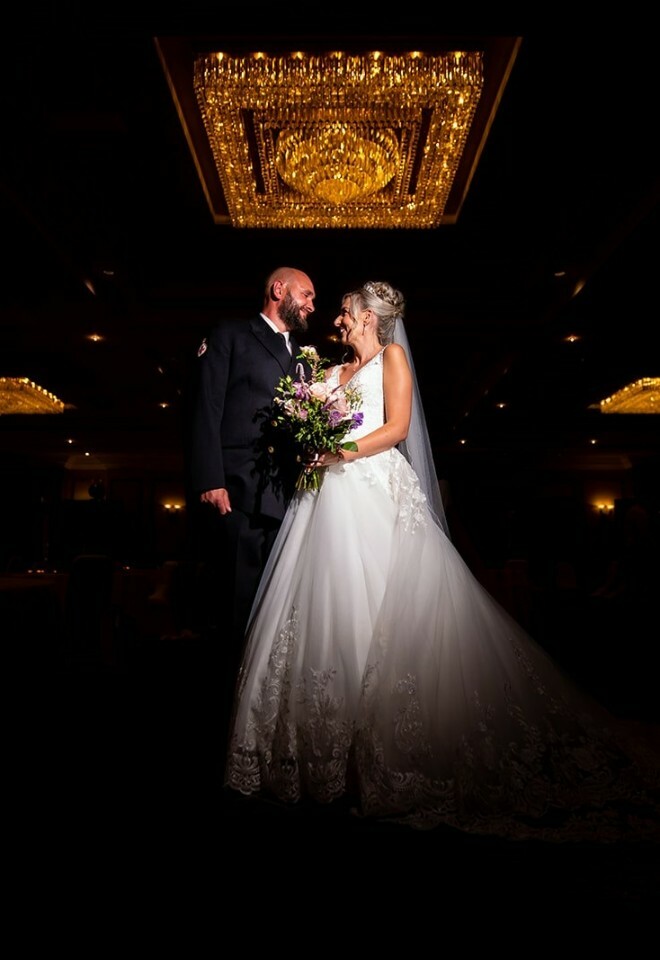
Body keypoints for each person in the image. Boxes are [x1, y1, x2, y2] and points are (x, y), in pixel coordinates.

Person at [223, 279, 660, 842]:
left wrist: (337, 450)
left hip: (371, 491)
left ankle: (387, 751)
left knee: (381, 605)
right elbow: (312, 425)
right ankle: (321, 755)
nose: (336, 320)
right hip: (323, 498)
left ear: (367, 317)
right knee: (319, 611)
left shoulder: (392, 357)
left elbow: (398, 428)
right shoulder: (327, 373)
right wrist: (310, 444)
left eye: (344, 312)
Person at [183, 266, 316, 711]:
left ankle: (265, 711)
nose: (313, 305)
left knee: (276, 615)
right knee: (236, 611)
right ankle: (228, 713)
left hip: (286, 501)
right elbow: (206, 405)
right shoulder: (231, 335)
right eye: (307, 294)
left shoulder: (301, 357)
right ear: (279, 290)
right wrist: (210, 478)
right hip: (237, 494)